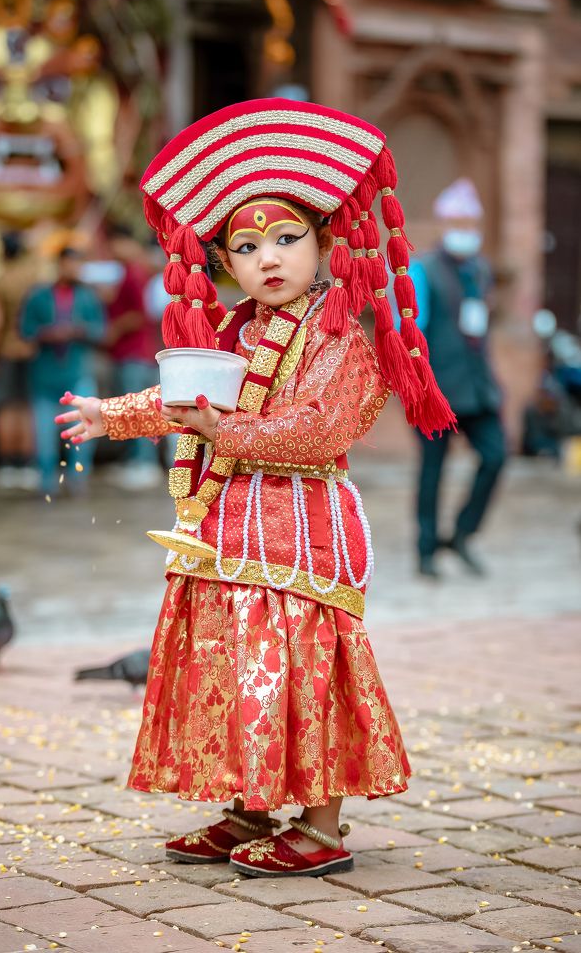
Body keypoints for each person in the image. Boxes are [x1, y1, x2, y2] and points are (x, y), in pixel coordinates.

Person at [55, 98, 455, 877]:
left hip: (303, 538)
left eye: (285, 238)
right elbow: (189, 401)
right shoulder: (235, 332)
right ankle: (250, 807)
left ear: (324, 243)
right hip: (225, 534)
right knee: (238, 668)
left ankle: (323, 828)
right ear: (224, 264)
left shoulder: (340, 335)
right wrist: (113, 415)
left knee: (304, 671)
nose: (268, 258)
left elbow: (320, 430)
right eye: (246, 246)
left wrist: (223, 430)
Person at [409, 179, 507, 579]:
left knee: (496, 456)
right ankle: (426, 549)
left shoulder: (480, 269)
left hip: (478, 387)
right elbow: (409, 330)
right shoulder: (423, 270)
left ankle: (463, 534)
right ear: (444, 223)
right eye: (458, 222)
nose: (465, 229)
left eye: (470, 223)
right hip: (436, 391)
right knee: (433, 469)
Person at [21, 246, 105, 495]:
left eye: (77, 265)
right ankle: (46, 481)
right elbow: (25, 330)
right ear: (59, 265)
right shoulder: (39, 296)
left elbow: (101, 331)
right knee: (44, 435)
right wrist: (47, 334)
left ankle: (78, 478)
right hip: (44, 376)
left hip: (77, 373)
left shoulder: (88, 297)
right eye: (69, 264)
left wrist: (79, 330)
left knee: (83, 429)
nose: (73, 269)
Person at [102, 226, 162, 490]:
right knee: (136, 409)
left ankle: (144, 463)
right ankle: (136, 461)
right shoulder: (134, 272)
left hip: (134, 353)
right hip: (136, 352)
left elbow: (139, 314)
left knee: (137, 410)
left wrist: (115, 328)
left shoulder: (134, 273)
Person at [0, 232, 41, 490]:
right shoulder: (34, 280)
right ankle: (27, 464)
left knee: (7, 407)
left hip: (7, 350)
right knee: (28, 407)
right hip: (33, 350)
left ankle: (9, 463)